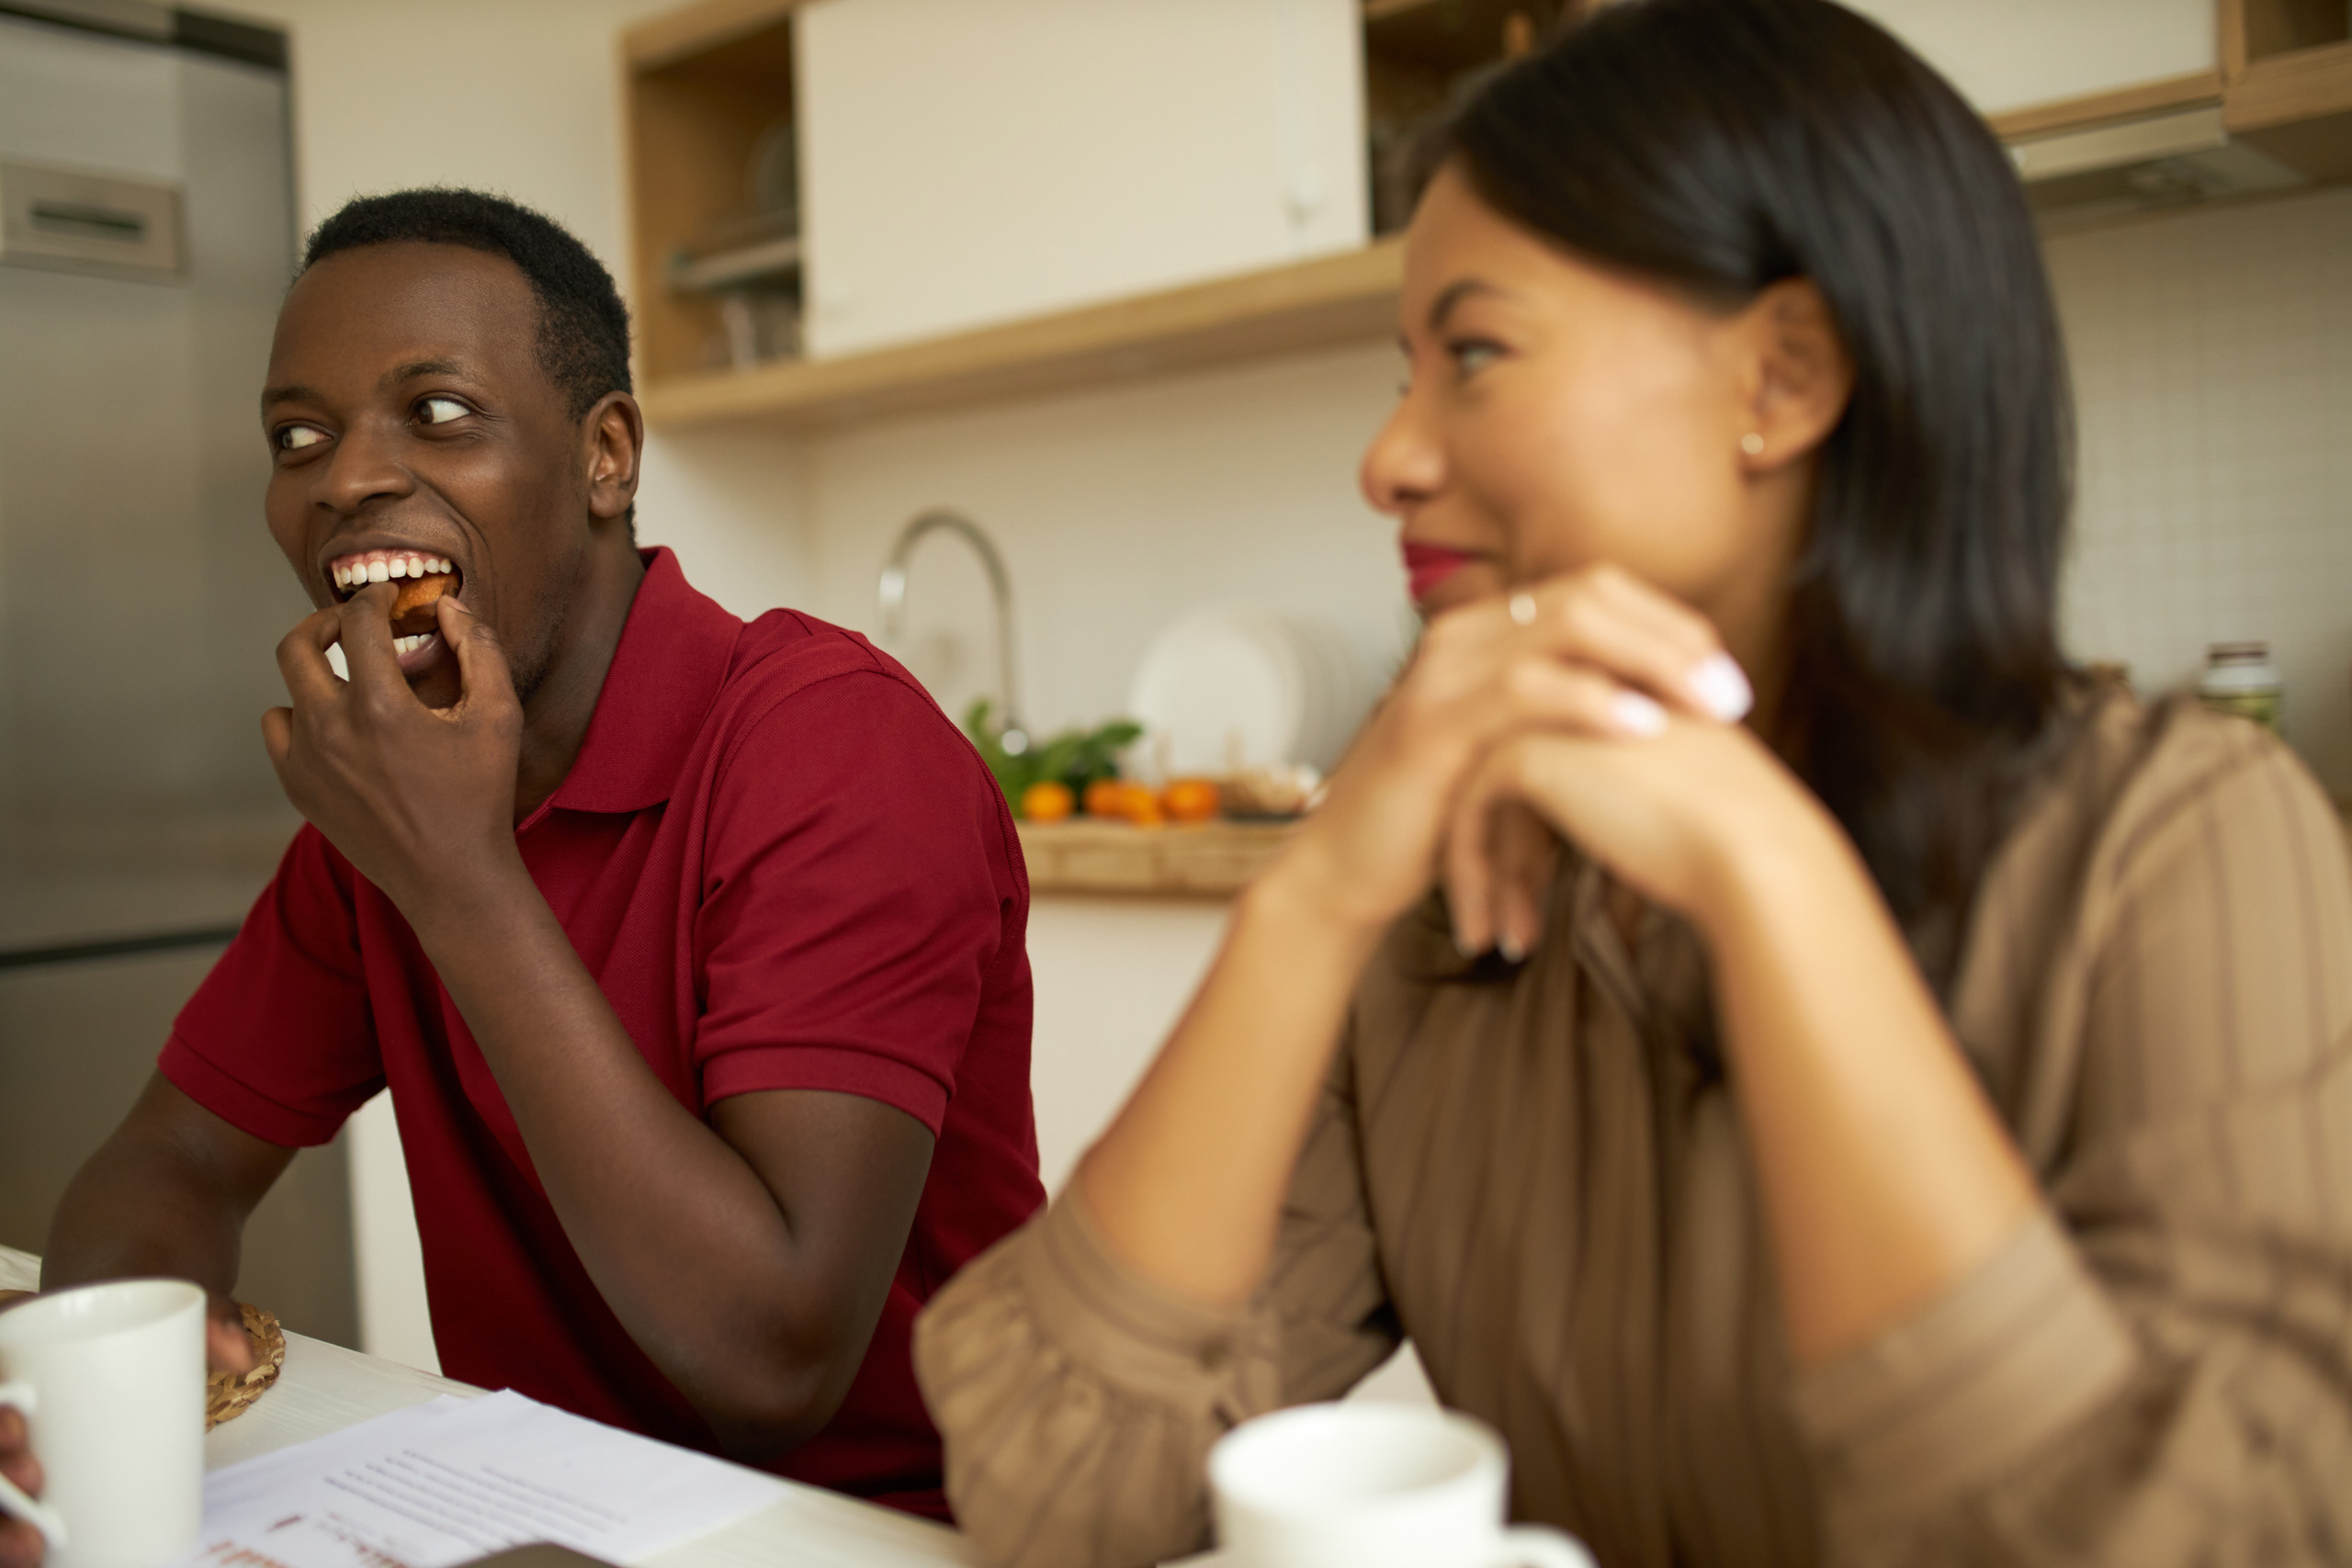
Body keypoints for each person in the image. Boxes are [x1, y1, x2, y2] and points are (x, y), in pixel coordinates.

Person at [910, 2, 2352, 1564]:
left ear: (1785, 377)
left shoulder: (2182, 843)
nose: (1388, 458)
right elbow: (1053, 1494)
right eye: (1406, 370)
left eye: (1472, 353)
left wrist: (1772, 882)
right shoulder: (1441, 908)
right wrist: (1311, 899)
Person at [36, 189, 1043, 1520]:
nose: (344, 478)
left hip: (900, 1536)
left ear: (605, 457)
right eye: (300, 435)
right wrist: (110, 1374)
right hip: (541, 1515)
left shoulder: (834, 752)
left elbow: (772, 1355)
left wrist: (456, 880)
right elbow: (171, 1156)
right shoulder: (401, 801)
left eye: (437, 413)